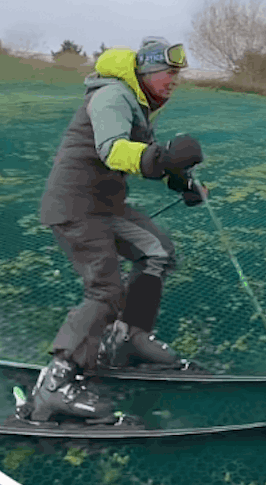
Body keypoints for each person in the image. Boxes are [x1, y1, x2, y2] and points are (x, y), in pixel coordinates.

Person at [20, 37, 204, 424]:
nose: (175, 82)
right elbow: (114, 150)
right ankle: (55, 386)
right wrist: (165, 157)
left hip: (105, 206)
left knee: (158, 252)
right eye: (170, 73)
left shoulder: (136, 102)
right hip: (76, 206)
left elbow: (149, 155)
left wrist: (182, 182)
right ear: (149, 71)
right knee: (105, 290)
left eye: (177, 75)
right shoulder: (111, 96)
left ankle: (127, 339)